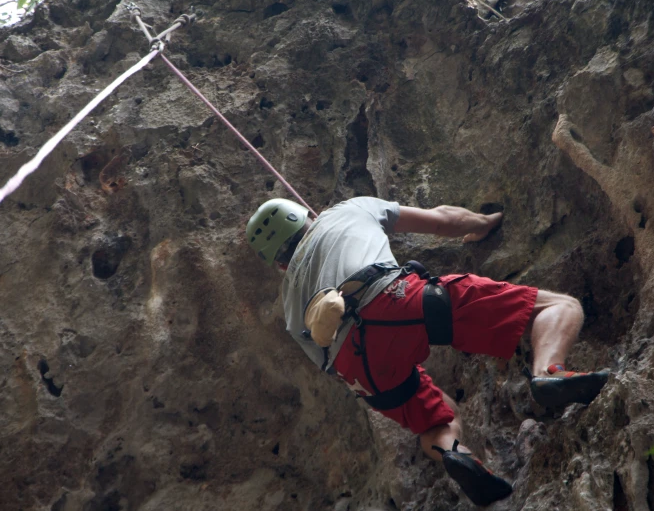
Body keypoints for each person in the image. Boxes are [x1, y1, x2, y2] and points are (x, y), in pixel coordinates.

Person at [246, 197, 609, 507]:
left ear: (279, 265)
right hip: (393, 299)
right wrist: (483, 222)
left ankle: (454, 453)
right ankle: (548, 373)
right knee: (557, 307)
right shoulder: (347, 210)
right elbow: (442, 220)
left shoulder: (290, 308)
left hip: (358, 368)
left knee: (438, 417)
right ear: (308, 214)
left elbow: (326, 363)